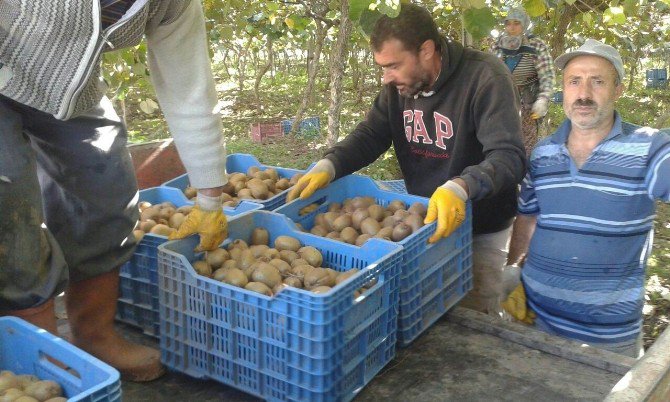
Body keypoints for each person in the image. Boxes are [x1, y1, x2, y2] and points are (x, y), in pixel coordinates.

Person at [0, 0, 228, 381]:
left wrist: (209, 198)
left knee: (105, 184)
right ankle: (37, 363)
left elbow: (188, 86)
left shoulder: (173, 5)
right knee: (10, 212)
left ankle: (94, 335)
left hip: (66, 87)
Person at [288, 3, 526, 315]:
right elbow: (373, 133)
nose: (386, 78)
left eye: (393, 65)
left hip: (479, 227)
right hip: (421, 224)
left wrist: (462, 187)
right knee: (426, 313)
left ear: (426, 50)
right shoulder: (399, 86)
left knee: (473, 317)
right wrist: (330, 164)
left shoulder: (484, 77)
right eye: (382, 67)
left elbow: (509, 157)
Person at [502, 39, 670, 358]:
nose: (583, 94)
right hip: (536, 325)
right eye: (574, 81)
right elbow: (528, 216)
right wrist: (513, 270)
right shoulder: (543, 153)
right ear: (562, 90)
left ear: (618, 90)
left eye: (598, 81)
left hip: (608, 343)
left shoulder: (650, 148)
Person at [493, 7, 556, 155]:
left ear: (524, 24)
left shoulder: (536, 45)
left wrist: (543, 99)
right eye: (508, 23)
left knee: (527, 145)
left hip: (528, 101)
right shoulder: (498, 45)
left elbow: (547, 75)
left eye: (516, 23)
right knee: (500, 143)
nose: (512, 27)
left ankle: (527, 173)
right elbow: (490, 74)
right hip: (503, 100)